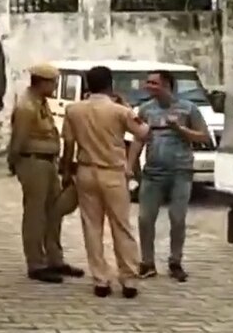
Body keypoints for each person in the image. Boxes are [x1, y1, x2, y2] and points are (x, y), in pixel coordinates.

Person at [61, 66, 150, 298]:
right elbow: (143, 132)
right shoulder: (119, 111)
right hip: (112, 172)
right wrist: (127, 108)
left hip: (86, 170)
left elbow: (69, 144)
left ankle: (101, 279)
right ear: (110, 84)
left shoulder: (73, 110)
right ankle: (128, 279)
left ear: (88, 85)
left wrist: (66, 172)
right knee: (121, 226)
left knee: (92, 227)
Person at [127, 70, 209, 282]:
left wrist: (180, 129)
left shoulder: (188, 108)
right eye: (148, 82)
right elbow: (138, 139)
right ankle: (147, 262)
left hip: (181, 171)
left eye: (154, 83)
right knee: (145, 218)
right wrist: (130, 165)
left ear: (167, 85)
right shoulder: (145, 110)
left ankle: (175, 261)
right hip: (153, 172)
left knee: (177, 218)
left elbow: (204, 137)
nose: (148, 86)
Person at [7, 63, 84, 284]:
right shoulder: (26, 107)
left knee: (53, 211)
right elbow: (18, 140)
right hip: (33, 161)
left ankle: (54, 258)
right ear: (41, 82)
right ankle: (36, 262)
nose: (54, 87)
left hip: (48, 162)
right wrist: (14, 163)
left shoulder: (40, 103)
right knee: (35, 213)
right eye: (52, 83)